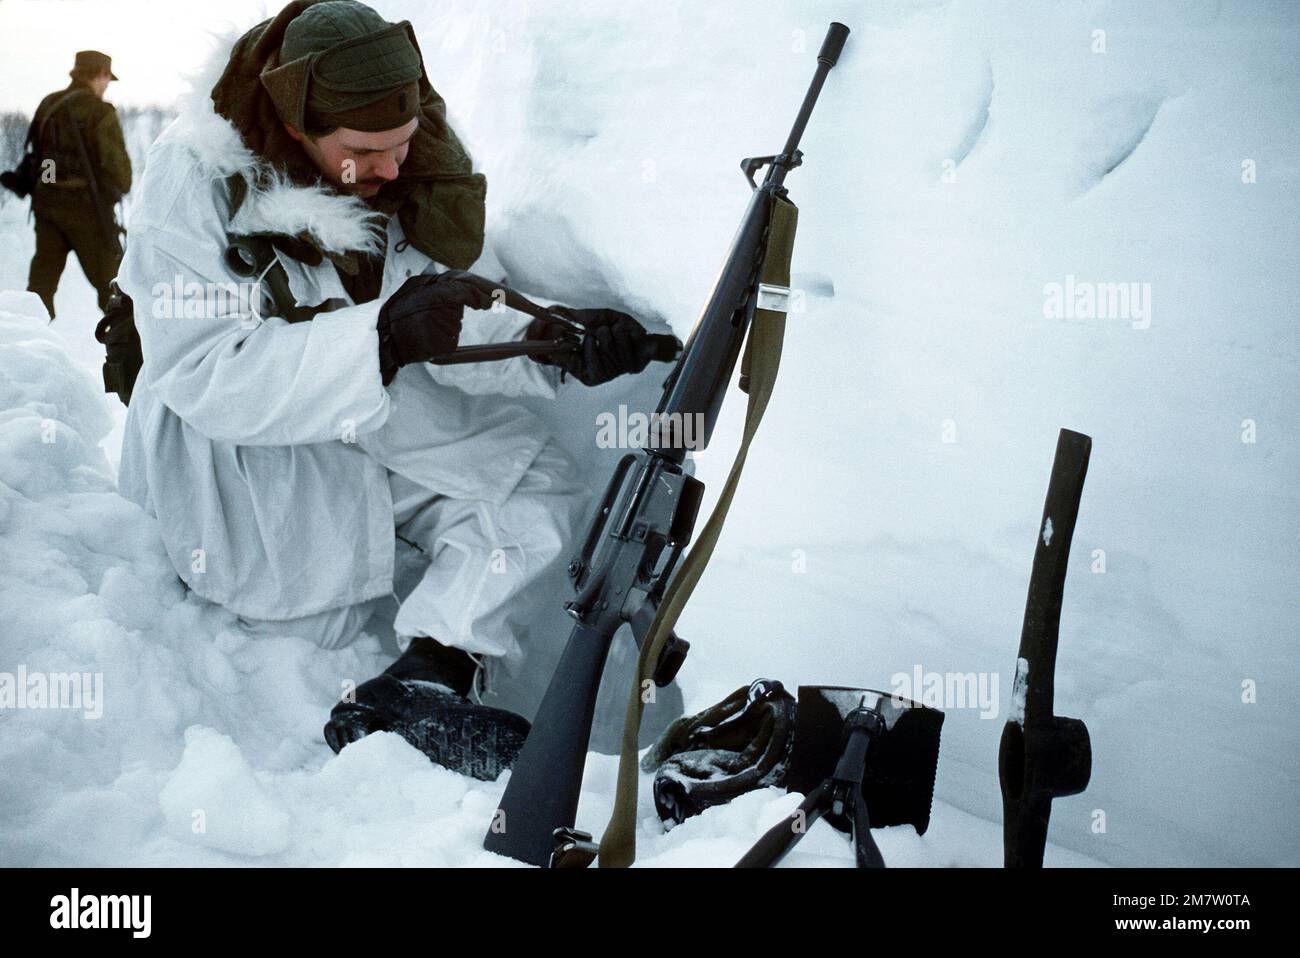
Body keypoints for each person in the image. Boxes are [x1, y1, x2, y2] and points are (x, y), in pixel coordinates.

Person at [115, 0, 657, 780]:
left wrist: (552, 341)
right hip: (241, 435)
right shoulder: (194, 183)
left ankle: (432, 674)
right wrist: (383, 337)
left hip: (364, 393)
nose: (394, 172)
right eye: (367, 152)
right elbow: (206, 373)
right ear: (297, 126)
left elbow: (446, 305)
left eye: (401, 147)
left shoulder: (411, 159)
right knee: (312, 604)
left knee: (528, 486)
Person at [20, 50, 131, 319]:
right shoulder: (100, 112)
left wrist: (51, 188)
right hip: (87, 214)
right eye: (107, 79)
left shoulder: (49, 104)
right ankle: (127, 358)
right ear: (101, 75)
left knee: (39, 291)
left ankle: (24, 348)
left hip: (47, 210)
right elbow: (121, 175)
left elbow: (38, 159)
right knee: (115, 290)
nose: (106, 86)